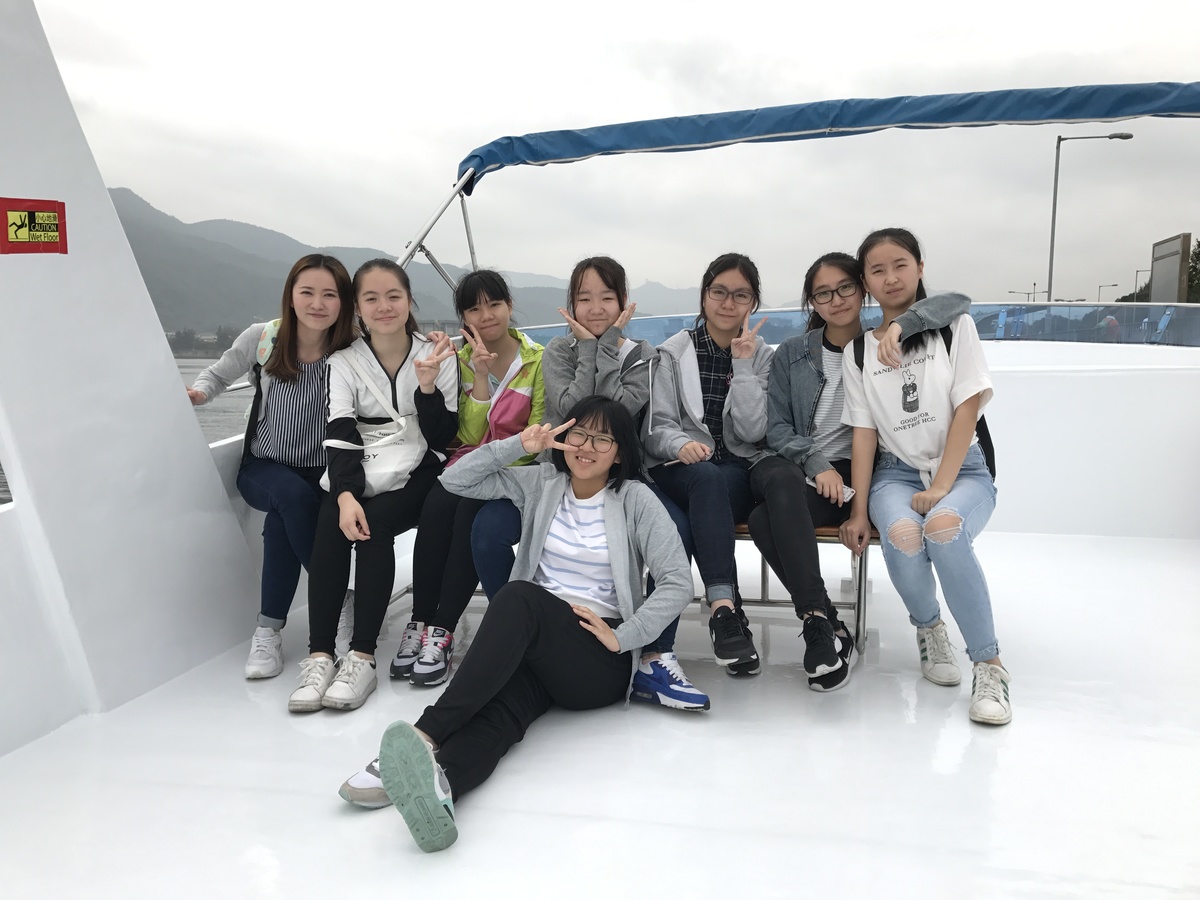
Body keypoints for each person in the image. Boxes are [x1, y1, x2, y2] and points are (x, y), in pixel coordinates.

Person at [342, 397, 694, 851]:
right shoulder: (542, 482)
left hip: (596, 659)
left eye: (602, 439)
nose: (586, 447)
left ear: (620, 452)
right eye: (579, 434)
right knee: (501, 714)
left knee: (517, 596)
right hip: (541, 648)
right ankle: (441, 787)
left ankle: (423, 733)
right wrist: (518, 445)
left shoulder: (635, 499)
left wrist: (623, 635)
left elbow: (676, 581)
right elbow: (455, 480)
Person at [470, 256, 708, 711]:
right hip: (556, 476)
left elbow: (612, 414)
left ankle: (654, 655)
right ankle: (516, 637)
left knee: (677, 528)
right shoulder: (558, 351)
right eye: (584, 298)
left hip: (619, 477)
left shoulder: (643, 355)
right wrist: (587, 349)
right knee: (487, 530)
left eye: (606, 297)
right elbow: (571, 411)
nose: (595, 308)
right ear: (572, 304)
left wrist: (607, 346)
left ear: (623, 302)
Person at [751, 252, 969, 691]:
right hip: (798, 466)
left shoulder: (878, 346)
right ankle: (822, 620)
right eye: (822, 294)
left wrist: (901, 325)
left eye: (845, 288)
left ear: (862, 289)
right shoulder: (792, 353)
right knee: (779, 484)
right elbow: (777, 428)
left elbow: (957, 302)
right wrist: (817, 464)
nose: (836, 300)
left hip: (856, 473)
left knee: (761, 520)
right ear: (812, 302)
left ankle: (823, 622)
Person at [839, 228, 1010, 725]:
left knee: (943, 528)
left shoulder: (954, 326)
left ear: (919, 267)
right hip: (895, 475)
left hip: (963, 469)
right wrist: (858, 511)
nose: (890, 278)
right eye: (877, 270)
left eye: (900, 265)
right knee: (903, 535)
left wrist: (940, 487)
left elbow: (968, 408)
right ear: (866, 283)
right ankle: (930, 629)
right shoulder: (858, 352)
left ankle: (989, 665)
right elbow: (865, 435)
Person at [287, 259, 458, 713]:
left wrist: (427, 389)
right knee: (332, 519)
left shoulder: (438, 355)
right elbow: (341, 431)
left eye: (393, 296)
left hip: (420, 468)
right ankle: (320, 656)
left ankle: (361, 656)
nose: (384, 306)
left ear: (409, 301)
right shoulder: (344, 361)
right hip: (363, 465)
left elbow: (443, 437)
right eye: (371, 298)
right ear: (358, 308)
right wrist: (344, 494)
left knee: (374, 526)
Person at [188, 254, 357, 679]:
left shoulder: (352, 347)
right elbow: (218, 375)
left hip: (323, 473)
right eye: (307, 292)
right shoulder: (263, 338)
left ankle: (268, 630)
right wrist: (200, 394)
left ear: (344, 301)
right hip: (262, 468)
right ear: (291, 295)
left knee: (284, 519)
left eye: (329, 295)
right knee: (290, 496)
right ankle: (338, 597)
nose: (317, 303)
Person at [393, 270, 545, 687]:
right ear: (463, 317)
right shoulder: (456, 361)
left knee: (467, 516)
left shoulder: (537, 361)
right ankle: (420, 620)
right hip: (467, 464)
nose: (486, 315)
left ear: (509, 306)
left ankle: (442, 630)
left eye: (494, 304)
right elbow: (467, 435)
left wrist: (498, 461)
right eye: (474, 309)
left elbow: (536, 436)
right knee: (436, 507)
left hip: (515, 472)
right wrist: (479, 377)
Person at [643, 252, 771, 676]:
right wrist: (680, 444)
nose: (728, 303)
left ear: (753, 303)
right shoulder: (672, 353)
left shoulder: (760, 356)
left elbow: (753, 431)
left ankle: (657, 648)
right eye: (719, 292)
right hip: (675, 468)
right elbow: (656, 427)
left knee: (681, 525)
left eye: (741, 295)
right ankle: (725, 610)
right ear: (704, 296)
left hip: (733, 471)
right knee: (703, 479)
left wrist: (743, 366)